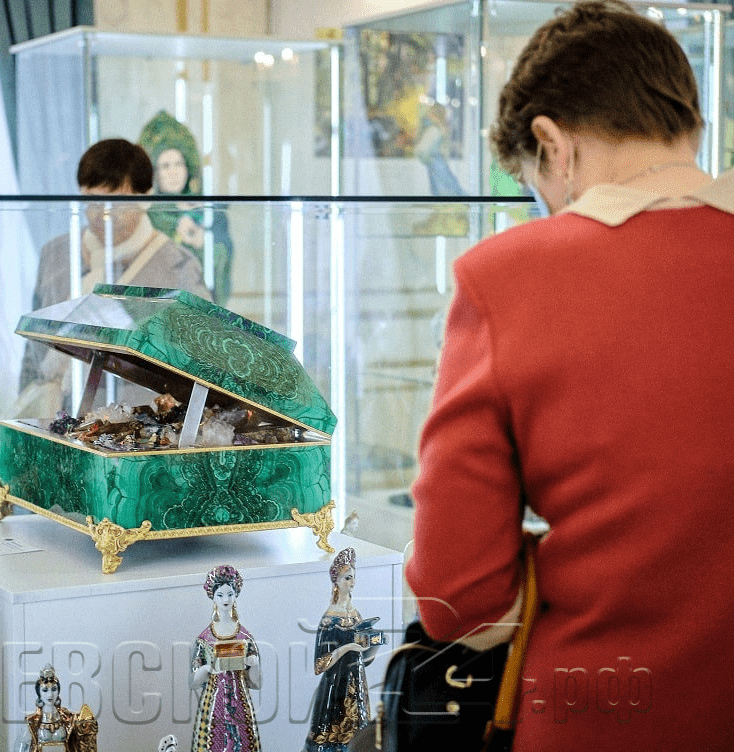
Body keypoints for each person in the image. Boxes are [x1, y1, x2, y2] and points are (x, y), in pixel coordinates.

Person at [403, 2, 734, 750]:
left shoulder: (506, 279)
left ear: (555, 146)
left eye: (535, 185)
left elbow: (457, 599)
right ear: (688, 123)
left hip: (599, 714)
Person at [18, 139, 211, 414]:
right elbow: (33, 351)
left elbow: (201, 362)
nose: (100, 214)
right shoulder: (55, 255)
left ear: (145, 198)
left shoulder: (178, 267)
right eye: (91, 201)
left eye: (114, 203)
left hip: (138, 423)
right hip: (58, 418)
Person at [138, 110, 234, 306]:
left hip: (203, 308)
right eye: (165, 166)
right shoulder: (146, 214)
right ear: (154, 172)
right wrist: (175, 238)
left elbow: (224, 258)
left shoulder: (209, 212)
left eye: (178, 164)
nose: (173, 172)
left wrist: (203, 242)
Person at [304, 548, 379, 752]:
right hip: (336, 685)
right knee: (333, 738)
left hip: (357, 682)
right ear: (336, 581)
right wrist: (348, 647)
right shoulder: (329, 620)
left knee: (359, 736)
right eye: (347, 578)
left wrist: (373, 647)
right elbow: (320, 664)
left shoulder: (355, 614)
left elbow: (363, 656)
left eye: (353, 577)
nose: (352, 582)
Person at [190, 565, 261, 752]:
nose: (226, 600)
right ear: (213, 597)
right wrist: (207, 669)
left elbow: (256, 683)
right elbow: (193, 681)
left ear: (235, 595)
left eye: (230, 594)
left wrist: (253, 665)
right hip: (214, 701)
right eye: (220, 595)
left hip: (239, 700)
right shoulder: (205, 638)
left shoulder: (244, 637)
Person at [14, 663, 99, 752]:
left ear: (58, 691)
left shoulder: (69, 719)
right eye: (45, 690)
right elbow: (20, 746)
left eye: (54, 689)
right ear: (39, 693)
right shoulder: (32, 723)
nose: (50, 695)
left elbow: (83, 742)